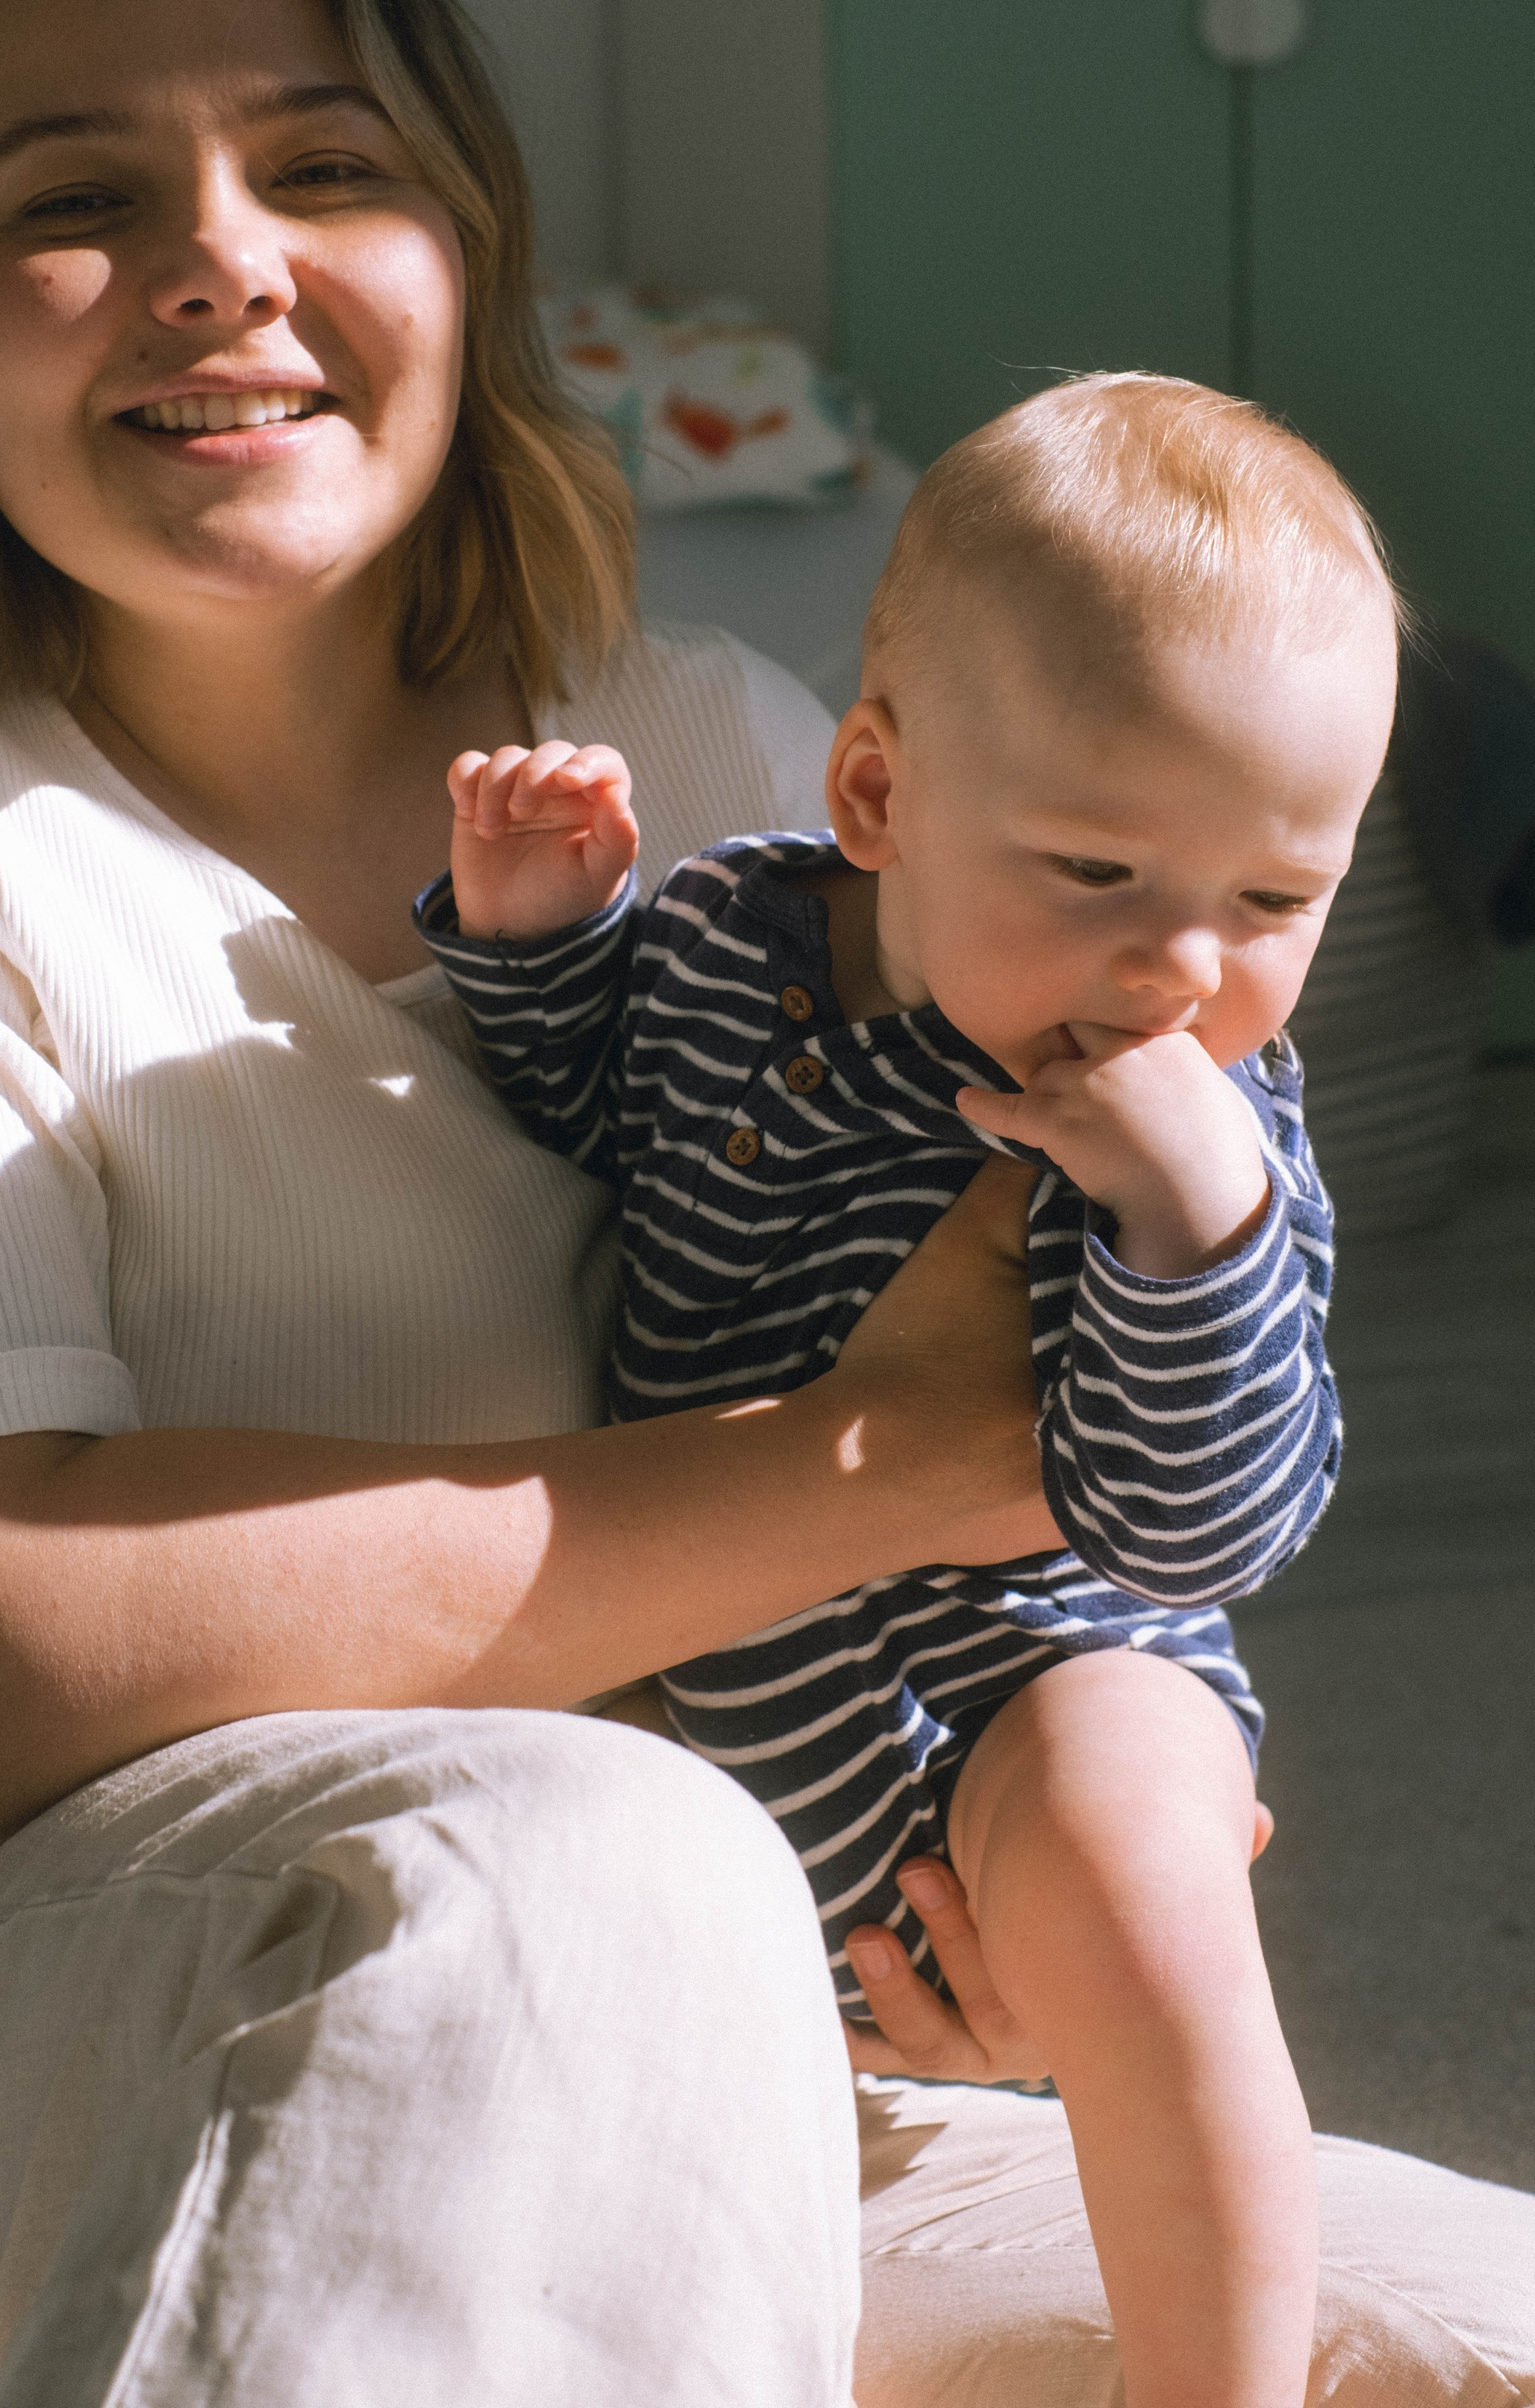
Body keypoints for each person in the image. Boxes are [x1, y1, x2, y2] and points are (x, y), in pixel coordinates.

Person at [0, 0, 1525, 2407]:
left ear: (466, 263)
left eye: (326, 164)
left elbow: (1139, 1424)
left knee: (1443, 2338)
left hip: (705, 1988)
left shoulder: (722, 757)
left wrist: (989, 1878)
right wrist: (899, 1465)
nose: (220, 257)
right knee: (581, 1860)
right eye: (74, 199)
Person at [421, 372, 1392, 2405]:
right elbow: (583, 1120)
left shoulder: (1209, 1131)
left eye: (1274, 901)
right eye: (1099, 876)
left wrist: (1187, 1232)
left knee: (1141, 1893)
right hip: (728, 1703)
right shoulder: (715, 941)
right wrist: (533, 943)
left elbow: (1213, 1519)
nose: (1182, 974)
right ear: (874, 797)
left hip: (1052, 1661)